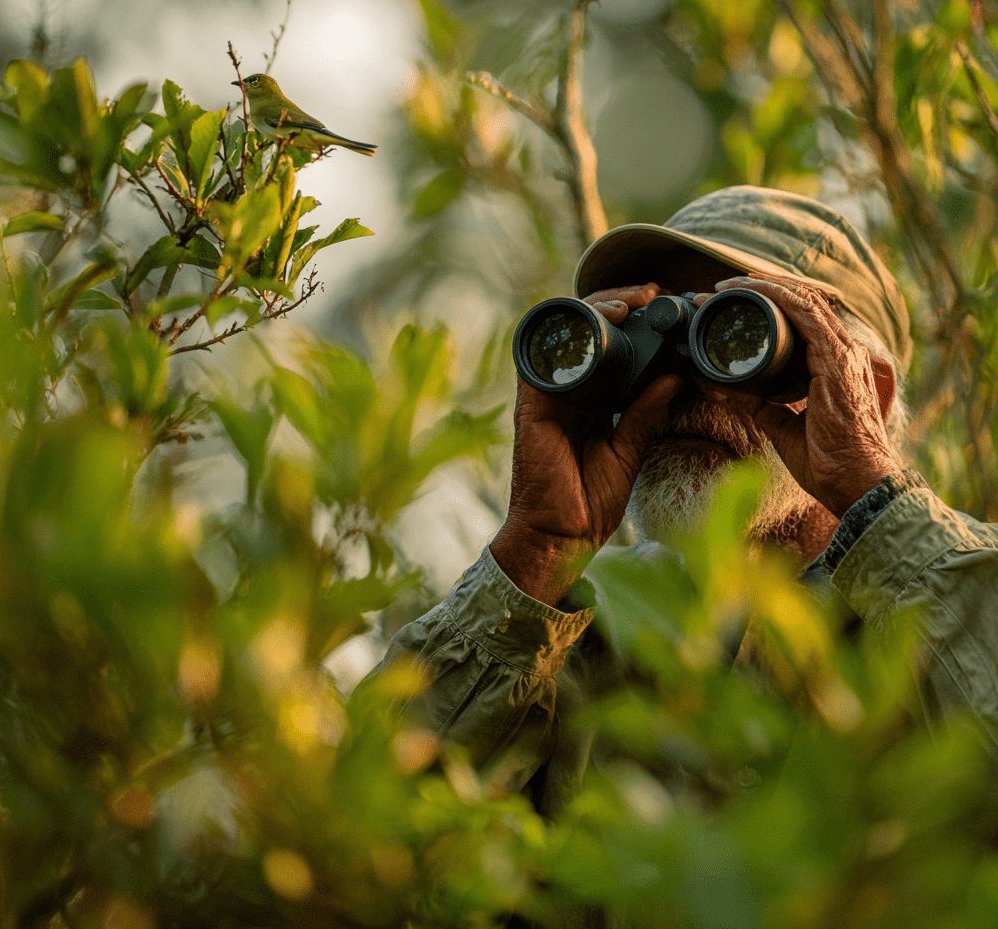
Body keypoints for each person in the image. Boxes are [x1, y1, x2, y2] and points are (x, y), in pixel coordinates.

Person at [370, 185, 998, 814]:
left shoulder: (967, 589)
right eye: (654, 334)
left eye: (737, 336)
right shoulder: (578, 624)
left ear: (870, 394)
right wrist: (536, 551)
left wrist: (876, 497)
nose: (691, 385)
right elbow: (359, 837)